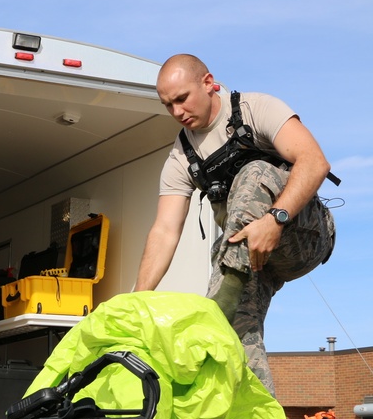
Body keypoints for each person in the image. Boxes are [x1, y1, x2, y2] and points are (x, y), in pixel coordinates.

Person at [135, 54, 336, 393]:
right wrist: (137, 298)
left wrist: (276, 218)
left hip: (304, 233)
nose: (177, 112)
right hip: (252, 260)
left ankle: (220, 302)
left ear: (209, 82)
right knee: (233, 337)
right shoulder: (181, 157)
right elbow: (165, 230)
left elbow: (314, 161)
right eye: (168, 105)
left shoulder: (255, 108)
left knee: (252, 173)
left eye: (182, 98)